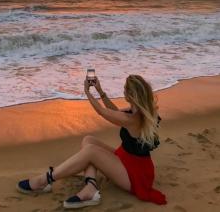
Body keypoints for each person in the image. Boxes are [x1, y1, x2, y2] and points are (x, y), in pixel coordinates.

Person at [17, 74, 167, 208]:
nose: (123, 92)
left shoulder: (133, 119)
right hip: (131, 162)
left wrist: (87, 92)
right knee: (89, 141)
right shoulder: (138, 112)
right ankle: (91, 187)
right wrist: (100, 91)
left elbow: (103, 112)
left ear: (131, 94)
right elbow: (115, 112)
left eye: (125, 90)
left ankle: (45, 179)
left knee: (91, 152)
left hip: (135, 177)